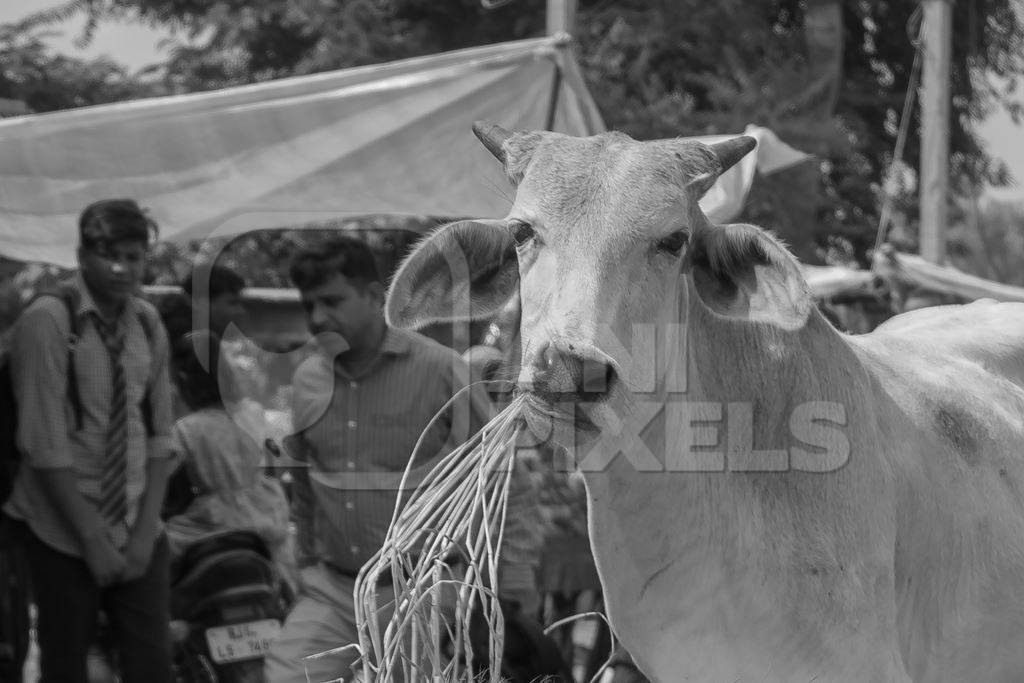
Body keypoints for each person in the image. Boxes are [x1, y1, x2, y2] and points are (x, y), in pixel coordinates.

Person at [264, 235, 542, 683]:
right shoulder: (307, 381)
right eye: (309, 304)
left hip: (426, 591)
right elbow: (303, 482)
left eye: (332, 301)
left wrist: (513, 581)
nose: (318, 318)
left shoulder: (440, 370)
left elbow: (504, 480)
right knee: (286, 674)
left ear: (375, 297)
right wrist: (306, 561)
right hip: (333, 589)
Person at [4, 198, 176, 683]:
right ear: (82, 257)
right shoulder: (49, 320)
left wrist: (143, 536)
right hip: (61, 532)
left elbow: (163, 436)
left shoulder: (146, 322)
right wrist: (92, 541)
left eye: (134, 256)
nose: (122, 268)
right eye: (109, 255)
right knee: (66, 666)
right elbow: (43, 445)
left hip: (136, 525)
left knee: (152, 666)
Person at [164, 329, 296, 587]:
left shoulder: (187, 429)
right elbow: (275, 465)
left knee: (162, 542)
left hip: (217, 518)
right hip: (268, 510)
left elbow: (165, 475)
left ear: (180, 380)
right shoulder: (253, 413)